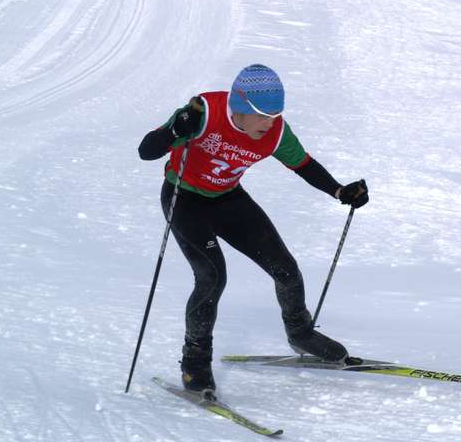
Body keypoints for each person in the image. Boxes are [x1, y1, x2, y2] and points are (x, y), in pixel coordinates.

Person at [138, 64, 369, 392]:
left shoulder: (275, 133)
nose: (269, 122)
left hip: (228, 200)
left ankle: (300, 334)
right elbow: (146, 151)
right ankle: (194, 365)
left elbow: (302, 164)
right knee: (212, 276)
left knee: (285, 269)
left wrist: (339, 191)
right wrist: (175, 130)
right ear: (239, 108)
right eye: (262, 115)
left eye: (275, 115)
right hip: (184, 200)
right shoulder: (203, 112)